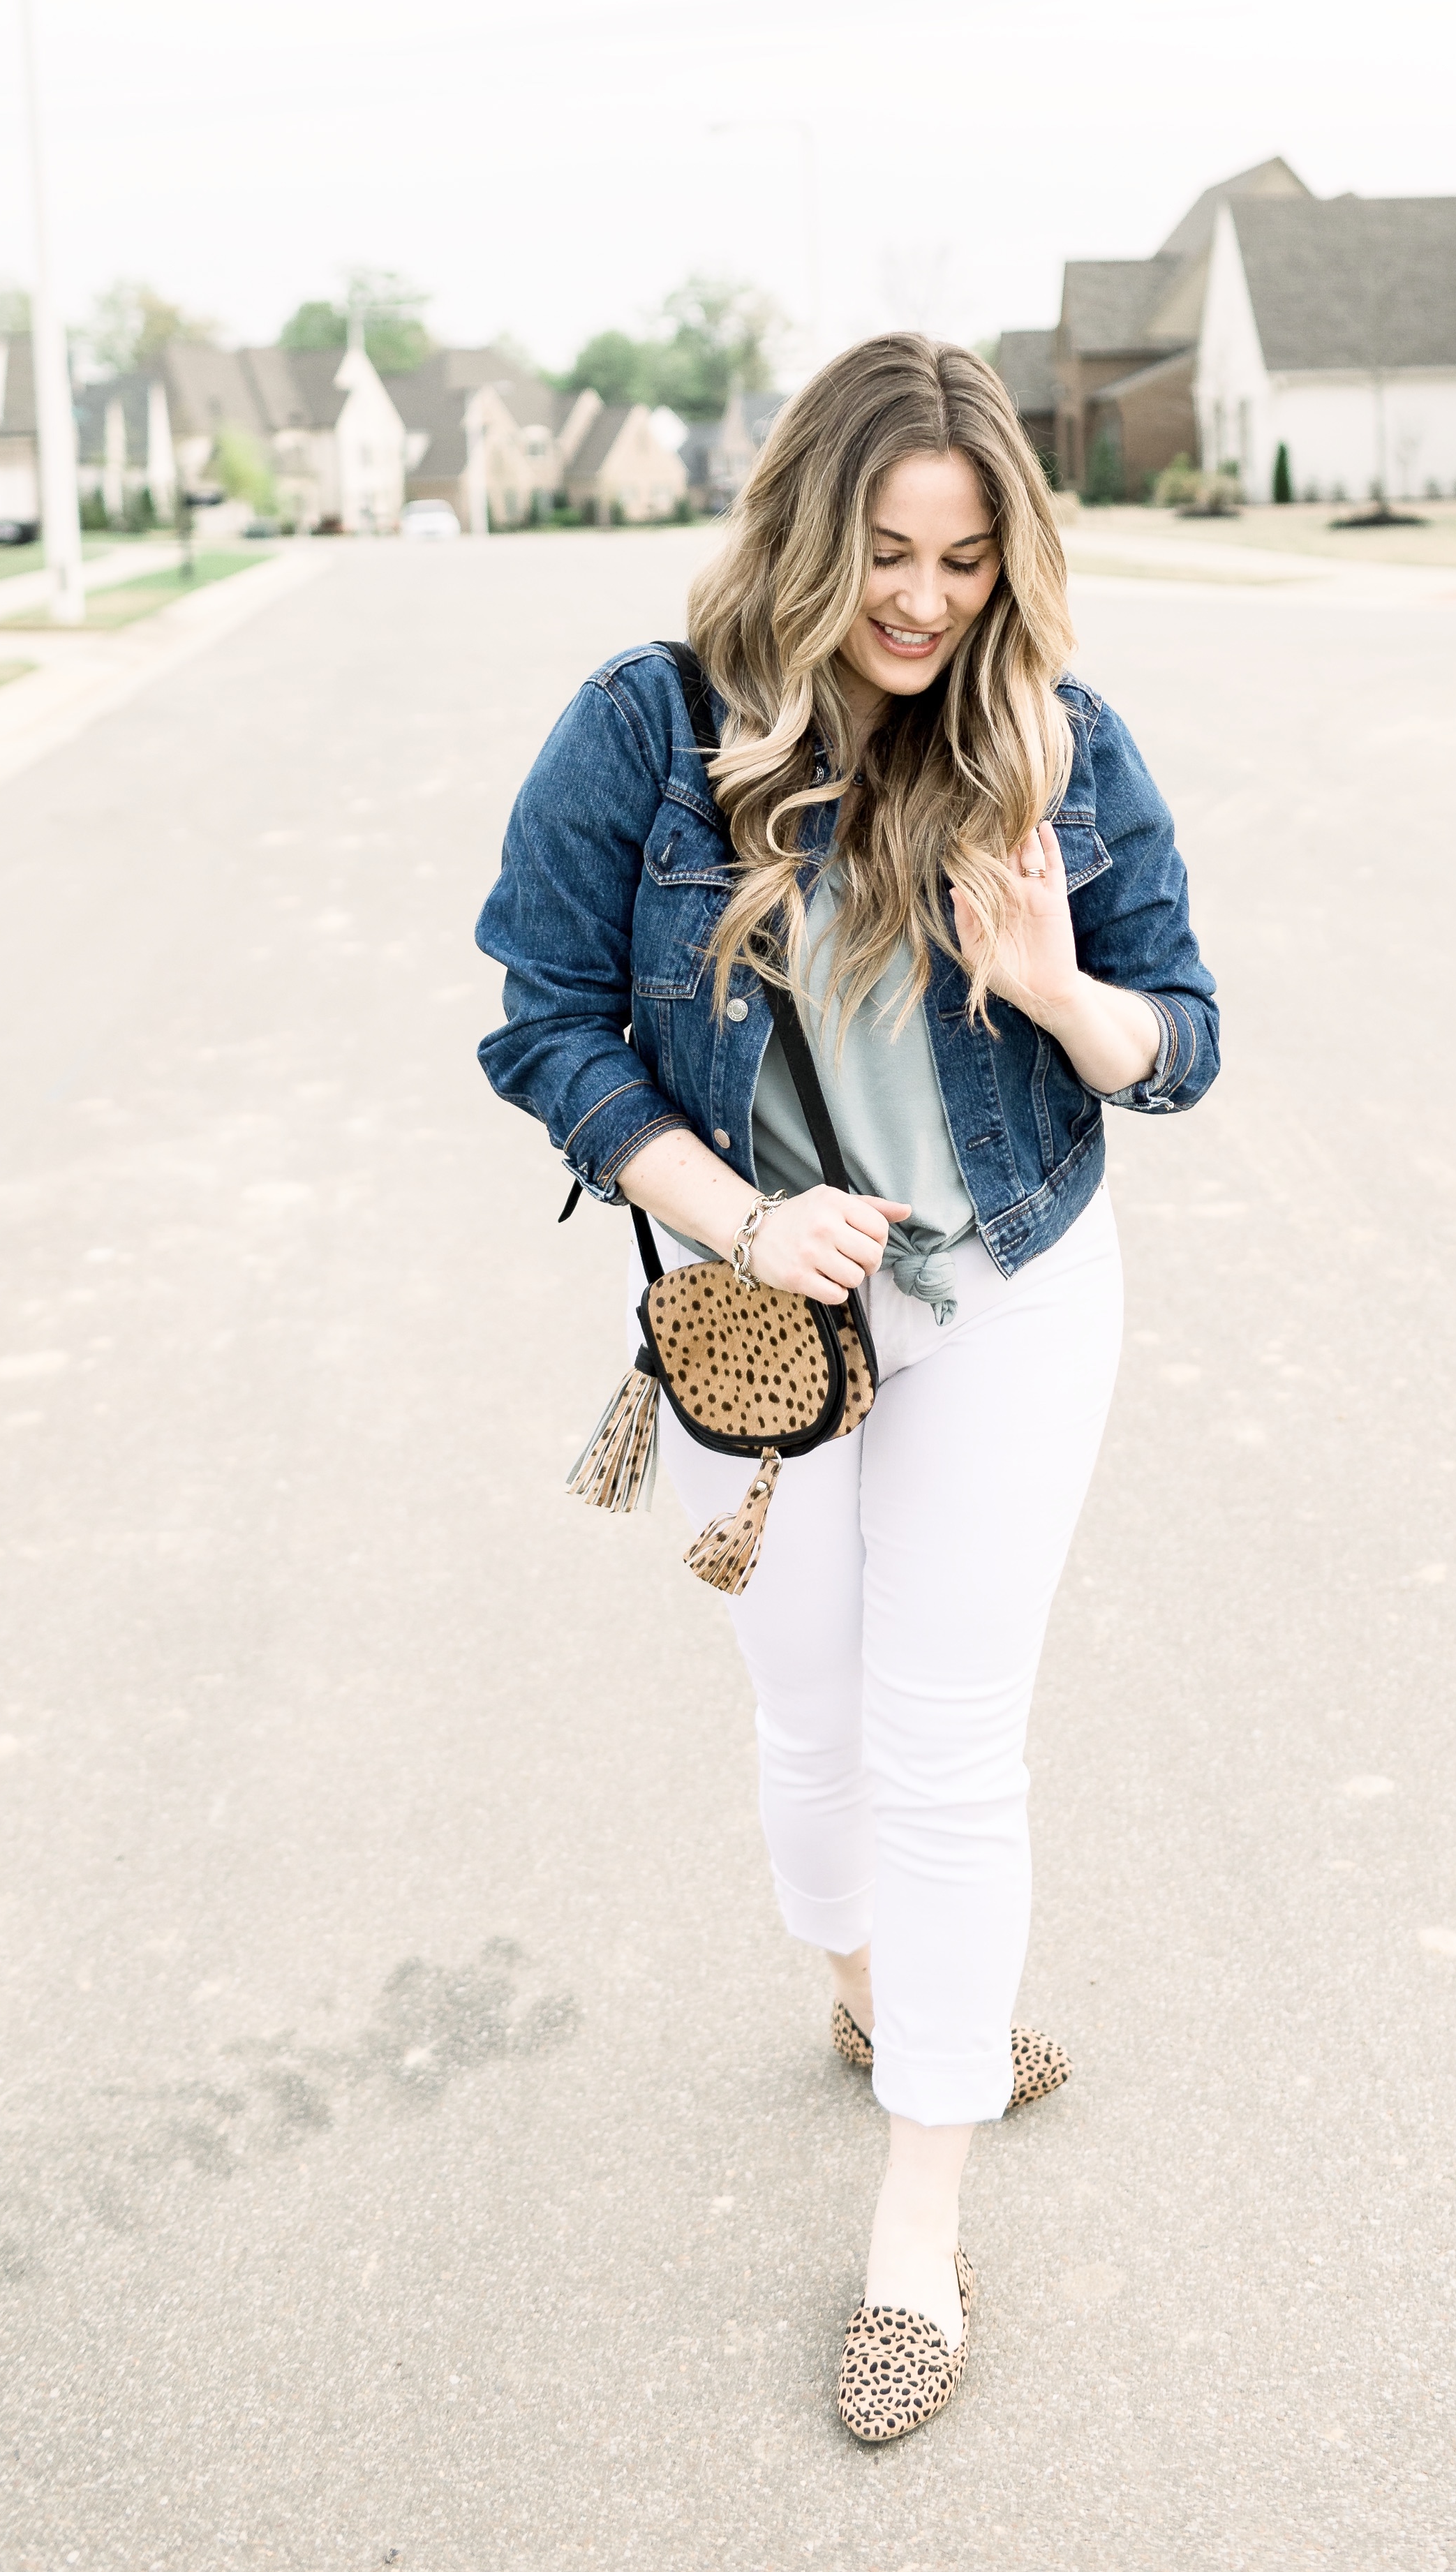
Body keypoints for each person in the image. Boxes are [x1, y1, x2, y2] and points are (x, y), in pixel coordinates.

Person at [475, 332, 1218, 2441]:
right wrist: (723, 1208)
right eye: (885, 552)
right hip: (768, 1313)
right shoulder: (646, 727)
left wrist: (1062, 988)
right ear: (807, 532)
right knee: (807, 1713)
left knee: (945, 1741)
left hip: (1010, 1293)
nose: (919, 602)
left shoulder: (1064, 747)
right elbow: (541, 1025)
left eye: (967, 562)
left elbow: (1185, 1039)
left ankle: (920, 2215)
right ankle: (885, 1998)